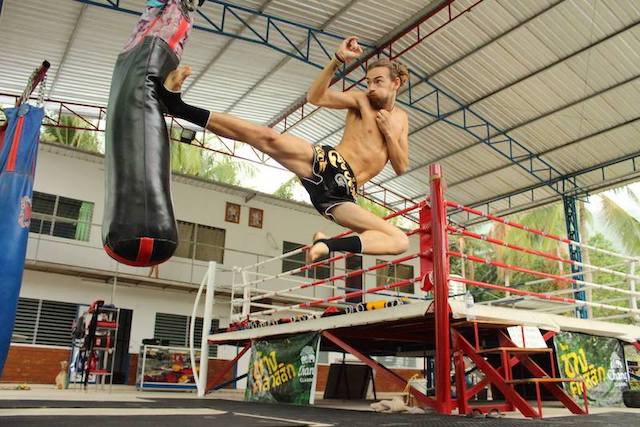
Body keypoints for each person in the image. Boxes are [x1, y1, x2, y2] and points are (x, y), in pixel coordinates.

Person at [155, 36, 410, 264]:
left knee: (400, 241)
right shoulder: (361, 101)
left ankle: (327, 245)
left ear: (395, 83)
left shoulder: (400, 121)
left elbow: (402, 166)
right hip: (327, 162)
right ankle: (177, 106)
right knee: (265, 137)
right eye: (368, 81)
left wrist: (388, 133)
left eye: (378, 81)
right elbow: (315, 97)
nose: (371, 87)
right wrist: (337, 60)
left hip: (343, 194)